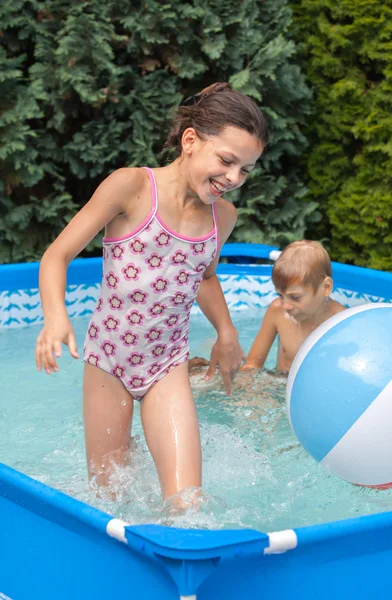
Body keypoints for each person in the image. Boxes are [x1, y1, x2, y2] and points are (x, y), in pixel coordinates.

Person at [35, 82, 268, 501]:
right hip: (108, 360)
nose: (234, 178)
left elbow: (206, 276)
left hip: (167, 364)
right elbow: (57, 256)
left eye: (246, 170)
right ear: (191, 140)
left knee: (188, 502)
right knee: (109, 496)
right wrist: (55, 317)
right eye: (227, 161)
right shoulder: (132, 188)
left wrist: (226, 331)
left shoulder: (223, 217)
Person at [242, 240, 345, 373]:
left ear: (326, 287)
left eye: (295, 297)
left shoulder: (342, 323)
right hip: (278, 385)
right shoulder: (277, 311)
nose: (285, 305)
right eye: (280, 295)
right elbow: (253, 364)